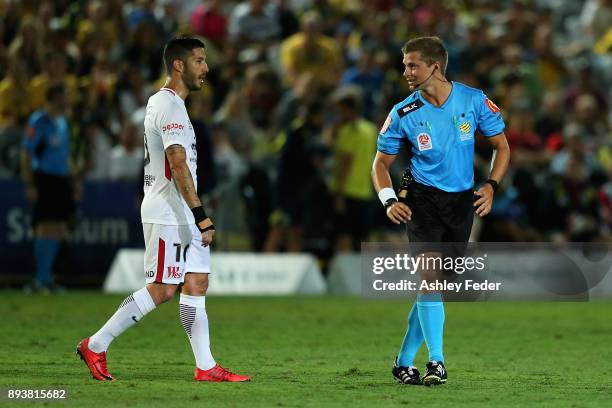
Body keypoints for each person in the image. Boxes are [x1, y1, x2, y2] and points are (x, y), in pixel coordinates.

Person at [76, 37, 250, 383]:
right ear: (179, 65)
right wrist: (201, 213)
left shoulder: (176, 106)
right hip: (168, 211)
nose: (206, 68)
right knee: (162, 288)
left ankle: (206, 366)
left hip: (183, 209)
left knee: (197, 282)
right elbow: (177, 162)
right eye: (199, 61)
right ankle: (96, 344)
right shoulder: (167, 104)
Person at [371, 36, 510, 386]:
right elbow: (380, 164)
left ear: (435, 66)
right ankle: (437, 362)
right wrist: (390, 199)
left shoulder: (474, 100)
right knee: (429, 278)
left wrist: (491, 185)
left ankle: (403, 362)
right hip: (422, 201)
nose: (405, 71)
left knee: (435, 287)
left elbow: (502, 147)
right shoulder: (403, 112)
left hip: (461, 203)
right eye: (404, 64)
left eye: (412, 64)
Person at [21, 84, 75, 293]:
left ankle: (46, 277)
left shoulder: (62, 122)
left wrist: (72, 181)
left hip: (61, 180)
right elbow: (26, 153)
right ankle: (39, 280)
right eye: (63, 97)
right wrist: (30, 184)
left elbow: (64, 155)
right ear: (53, 99)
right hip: (44, 178)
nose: (66, 101)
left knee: (60, 228)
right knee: (45, 227)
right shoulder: (39, 121)